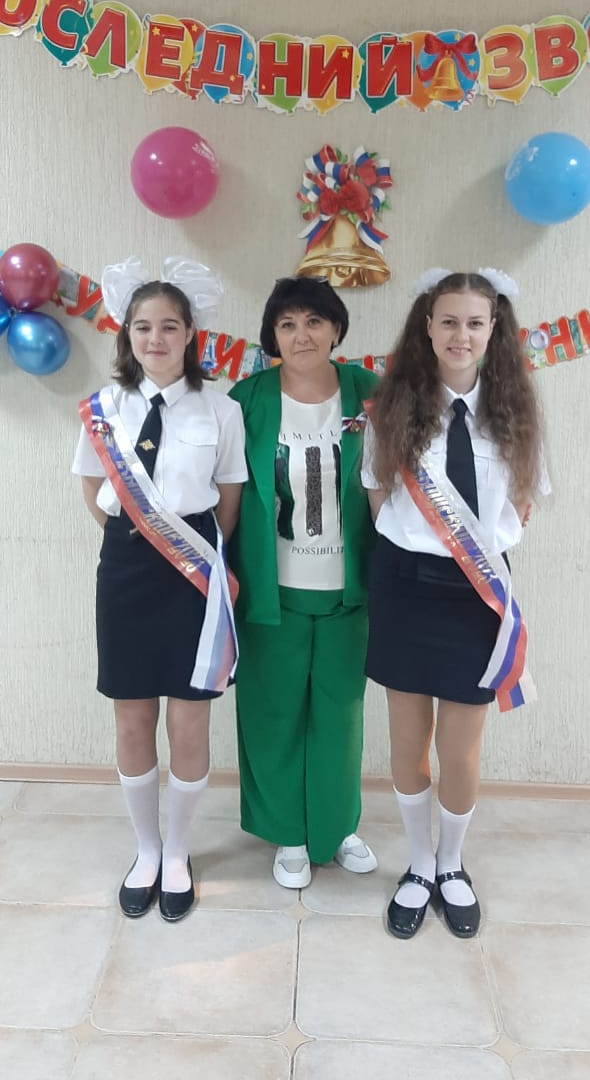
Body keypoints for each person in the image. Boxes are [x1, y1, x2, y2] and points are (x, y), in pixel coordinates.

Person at [361, 267, 547, 939]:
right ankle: (417, 865)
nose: (460, 334)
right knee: (409, 743)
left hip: (478, 594)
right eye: (448, 321)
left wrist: (484, 552)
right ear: (428, 327)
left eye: (474, 322)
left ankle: (451, 864)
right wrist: (417, 548)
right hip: (406, 587)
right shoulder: (392, 408)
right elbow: (378, 495)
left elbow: (523, 502)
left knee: (461, 750)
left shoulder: (514, 414)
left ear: (494, 329)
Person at [72, 257, 247, 922]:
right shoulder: (103, 408)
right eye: (143, 326)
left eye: (169, 326)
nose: (156, 338)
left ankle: (177, 853)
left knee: (189, 717)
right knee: (132, 715)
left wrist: (190, 554)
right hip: (125, 568)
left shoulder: (222, 409)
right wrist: (137, 539)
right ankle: (145, 850)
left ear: (190, 334)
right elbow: (93, 489)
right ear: (127, 333)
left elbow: (228, 500)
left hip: (195, 569)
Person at [228, 276, 378, 888]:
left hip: (349, 588)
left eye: (314, 321)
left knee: (341, 715)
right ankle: (288, 831)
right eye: (287, 324)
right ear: (272, 336)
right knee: (272, 711)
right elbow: (226, 491)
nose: (302, 335)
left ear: (336, 328)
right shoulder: (247, 399)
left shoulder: (370, 393)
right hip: (272, 589)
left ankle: (337, 826)